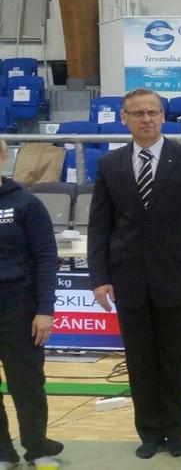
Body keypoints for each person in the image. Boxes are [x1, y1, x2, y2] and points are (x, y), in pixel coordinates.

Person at [88, 88, 181, 458]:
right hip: (128, 279)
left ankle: (175, 432)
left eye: (153, 112)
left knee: (175, 360)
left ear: (163, 116)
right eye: (138, 113)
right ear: (124, 118)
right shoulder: (110, 164)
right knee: (140, 361)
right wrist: (99, 277)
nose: (146, 119)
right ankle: (149, 432)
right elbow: (100, 226)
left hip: (177, 277)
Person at [0, 139, 63, 469]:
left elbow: (46, 257)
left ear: (3, 156)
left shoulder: (25, 203)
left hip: (19, 308)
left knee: (27, 385)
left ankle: (37, 448)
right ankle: (2, 452)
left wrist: (45, 310)